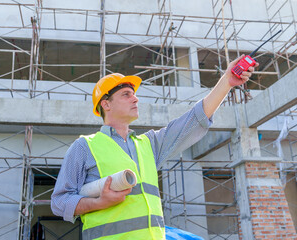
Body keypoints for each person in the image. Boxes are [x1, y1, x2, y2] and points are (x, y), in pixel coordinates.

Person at [51, 55, 258, 240]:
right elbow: (59, 202)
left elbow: (193, 120)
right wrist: (99, 203)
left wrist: (226, 82)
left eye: (134, 94)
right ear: (106, 104)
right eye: (126, 94)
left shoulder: (148, 145)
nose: (136, 98)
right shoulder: (84, 147)